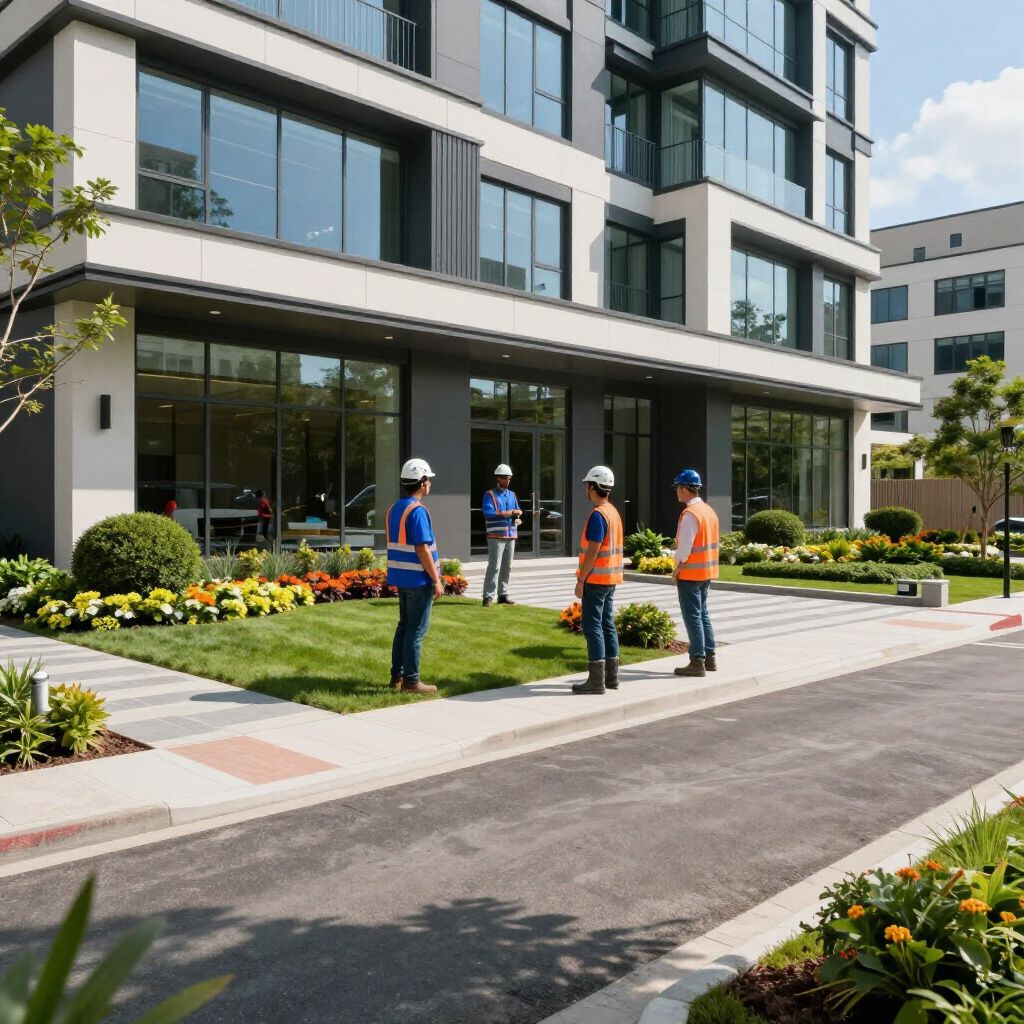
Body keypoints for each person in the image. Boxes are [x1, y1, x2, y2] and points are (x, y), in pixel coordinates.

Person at [386, 458, 444, 695]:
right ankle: (412, 682)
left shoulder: (395, 508)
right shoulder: (417, 511)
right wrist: (437, 579)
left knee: (404, 627)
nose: (429, 483)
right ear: (421, 483)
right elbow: (422, 549)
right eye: (428, 479)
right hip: (419, 580)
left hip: (402, 578)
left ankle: (397, 676)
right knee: (416, 631)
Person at [572, 466, 624, 695]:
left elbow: (593, 551)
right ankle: (612, 678)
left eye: (587, 485)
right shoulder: (613, 512)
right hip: (610, 578)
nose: (586, 489)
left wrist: (581, 579)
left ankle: (596, 682)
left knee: (593, 628)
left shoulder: (598, 515)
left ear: (593, 487)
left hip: (595, 579)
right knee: (607, 625)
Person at [672, 469, 719, 678]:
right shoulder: (708, 510)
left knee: (693, 617)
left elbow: (684, 549)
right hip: (706, 572)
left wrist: (677, 567)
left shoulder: (690, 514)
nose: (676, 492)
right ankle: (710, 658)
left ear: (684, 489)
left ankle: (697, 661)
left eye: (677, 488)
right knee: (703, 614)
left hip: (691, 574)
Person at [481, 463, 522, 607]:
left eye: (509, 478)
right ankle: (487, 596)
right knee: (494, 566)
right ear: (498, 478)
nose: (508, 481)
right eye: (505, 478)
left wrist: (518, 512)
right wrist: (508, 513)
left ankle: (502, 595)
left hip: (511, 535)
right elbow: (488, 513)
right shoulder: (489, 495)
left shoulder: (512, 494)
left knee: (507, 566)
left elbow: (517, 509)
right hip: (496, 535)